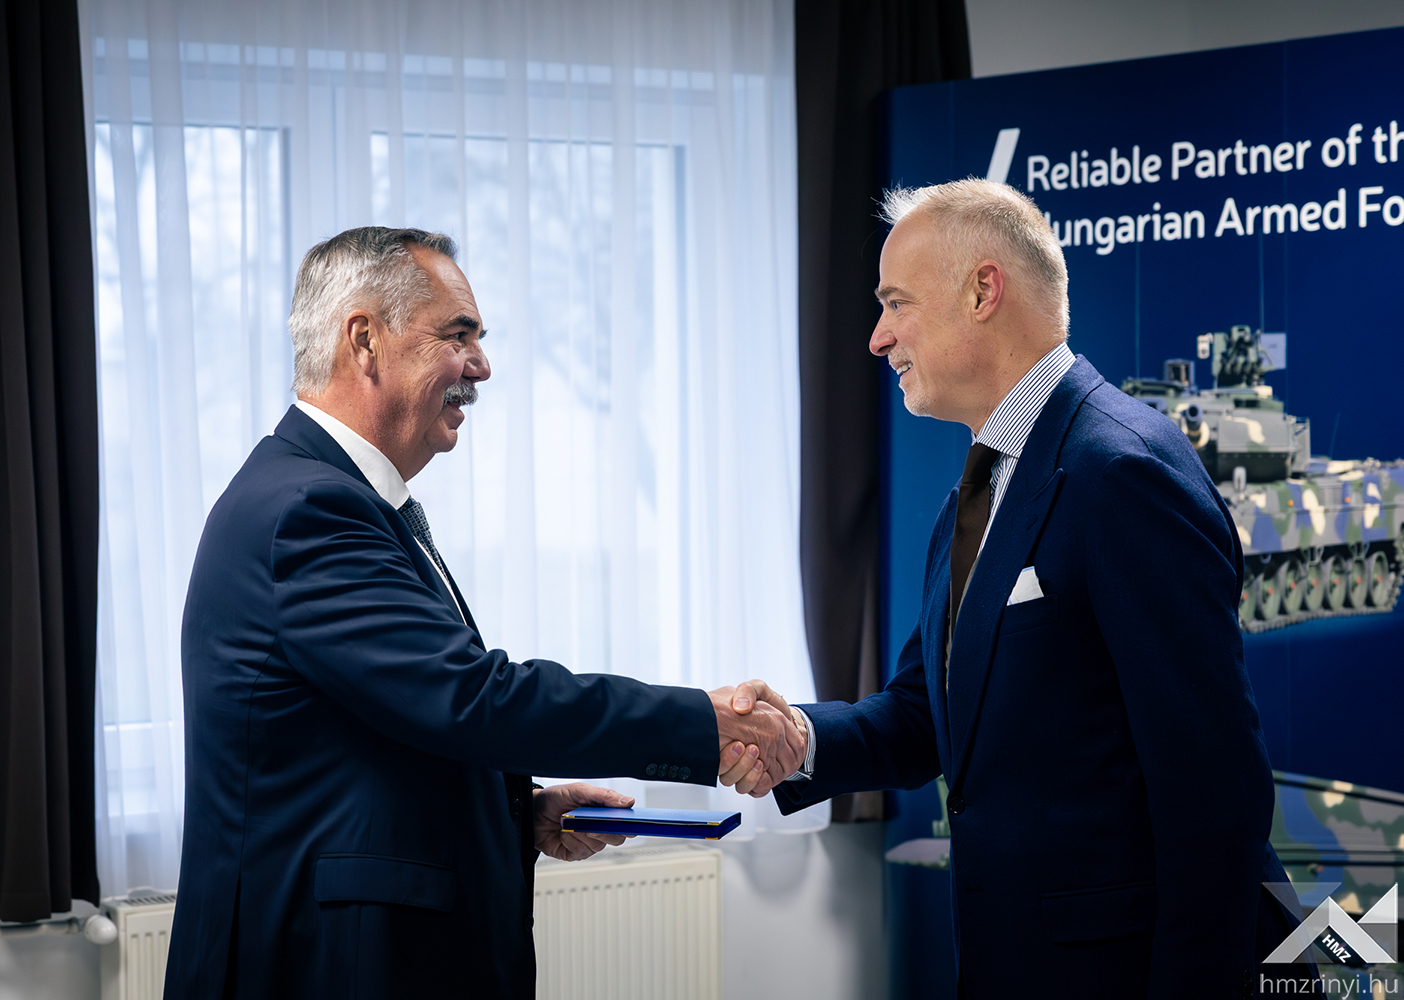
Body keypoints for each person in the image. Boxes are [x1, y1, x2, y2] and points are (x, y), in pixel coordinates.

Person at [164, 226, 804, 999]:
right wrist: (705, 721)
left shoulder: (333, 497)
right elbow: (471, 697)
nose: (481, 366)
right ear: (364, 340)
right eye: (457, 335)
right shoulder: (307, 510)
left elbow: (384, 734)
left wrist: (516, 813)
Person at [728, 180, 1301, 997]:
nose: (877, 337)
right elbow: (928, 712)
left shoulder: (1123, 471)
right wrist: (797, 738)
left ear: (982, 291)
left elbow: (1215, 796)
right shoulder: (979, 486)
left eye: (895, 303)